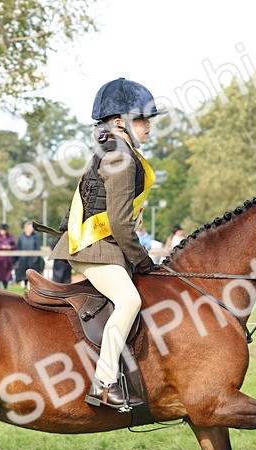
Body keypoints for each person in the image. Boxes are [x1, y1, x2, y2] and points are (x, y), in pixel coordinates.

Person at [49, 77, 162, 410]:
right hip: (96, 247)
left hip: (100, 244)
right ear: (119, 122)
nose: (148, 127)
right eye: (142, 119)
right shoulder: (119, 155)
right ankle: (104, 382)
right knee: (128, 301)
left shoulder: (111, 148)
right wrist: (142, 259)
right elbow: (119, 223)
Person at [15, 221, 42, 287]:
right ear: (26, 228)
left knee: (32, 273)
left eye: (32, 227)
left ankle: (32, 285)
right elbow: (19, 247)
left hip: (33, 258)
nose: (31, 229)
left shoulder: (36, 236)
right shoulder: (21, 237)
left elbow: (38, 247)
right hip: (23, 258)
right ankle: (24, 284)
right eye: (29, 227)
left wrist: (36, 258)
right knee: (23, 272)